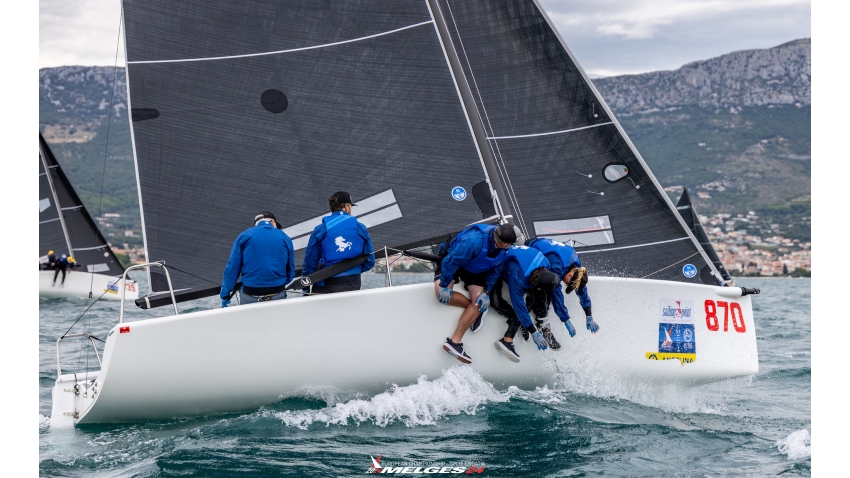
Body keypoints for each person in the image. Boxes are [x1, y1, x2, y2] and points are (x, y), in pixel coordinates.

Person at [435, 223, 518, 364]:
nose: (509, 246)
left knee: (479, 302)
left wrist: (486, 291)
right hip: (454, 261)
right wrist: (444, 285)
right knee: (440, 295)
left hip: (475, 269)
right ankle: (474, 312)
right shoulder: (472, 241)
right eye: (508, 244)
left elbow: (496, 270)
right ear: (503, 243)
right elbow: (450, 262)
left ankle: (455, 342)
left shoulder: (503, 249)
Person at [491, 245, 565, 363]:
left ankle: (545, 329)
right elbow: (518, 305)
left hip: (523, 265)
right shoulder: (517, 275)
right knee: (498, 303)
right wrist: (533, 331)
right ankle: (507, 340)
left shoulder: (545, 263)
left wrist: (565, 318)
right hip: (496, 266)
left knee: (533, 298)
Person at [302, 191, 375, 294]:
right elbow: (370, 260)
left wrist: (305, 286)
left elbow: (310, 261)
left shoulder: (320, 229)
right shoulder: (360, 227)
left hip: (326, 283)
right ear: (346, 207)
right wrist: (354, 270)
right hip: (353, 283)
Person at [527, 237, 599, 341]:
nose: (567, 285)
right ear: (569, 275)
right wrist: (566, 320)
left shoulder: (577, 267)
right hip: (530, 247)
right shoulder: (556, 265)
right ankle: (540, 326)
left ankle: (542, 322)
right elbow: (557, 294)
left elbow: (581, 289)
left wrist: (589, 315)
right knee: (544, 292)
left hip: (546, 248)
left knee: (550, 293)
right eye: (568, 284)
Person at [220, 211, 295, 306]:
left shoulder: (244, 235)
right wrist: (279, 282)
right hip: (277, 290)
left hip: (250, 291)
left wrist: (225, 293)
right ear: (272, 221)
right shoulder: (285, 237)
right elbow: (291, 269)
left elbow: (233, 267)